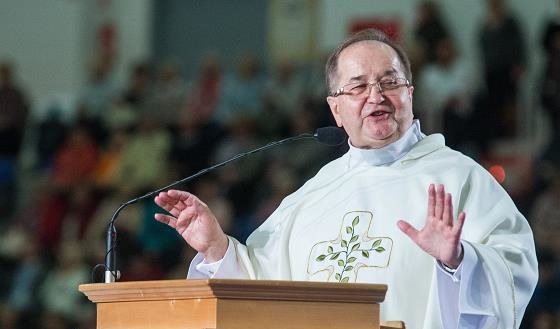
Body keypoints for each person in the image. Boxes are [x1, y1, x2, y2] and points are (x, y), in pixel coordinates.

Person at [154, 29, 538, 329]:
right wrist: (218, 249)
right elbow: (260, 285)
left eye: (390, 82)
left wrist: (459, 262)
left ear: (410, 93)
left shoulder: (460, 178)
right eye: (357, 86)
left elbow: (513, 267)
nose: (376, 96)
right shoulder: (311, 197)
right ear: (335, 109)